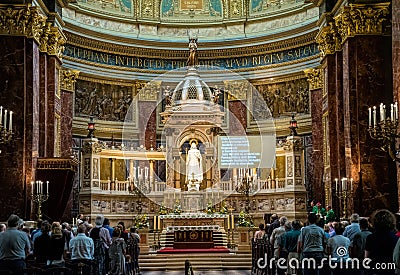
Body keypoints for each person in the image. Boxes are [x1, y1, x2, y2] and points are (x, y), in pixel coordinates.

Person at [365, 209, 399, 274]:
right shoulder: (396, 238)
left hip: (375, 269)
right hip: (391, 269)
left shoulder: (370, 237)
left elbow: (367, 257)